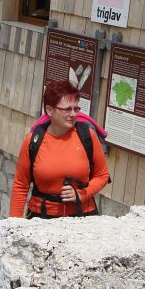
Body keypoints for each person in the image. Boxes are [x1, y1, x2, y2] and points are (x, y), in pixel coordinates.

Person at [9, 80, 110, 218]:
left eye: (76, 108)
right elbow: (21, 185)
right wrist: (13, 224)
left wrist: (81, 194)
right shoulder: (33, 141)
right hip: (41, 219)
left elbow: (102, 175)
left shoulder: (87, 136)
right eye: (67, 109)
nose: (73, 114)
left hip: (83, 218)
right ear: (49, 110)